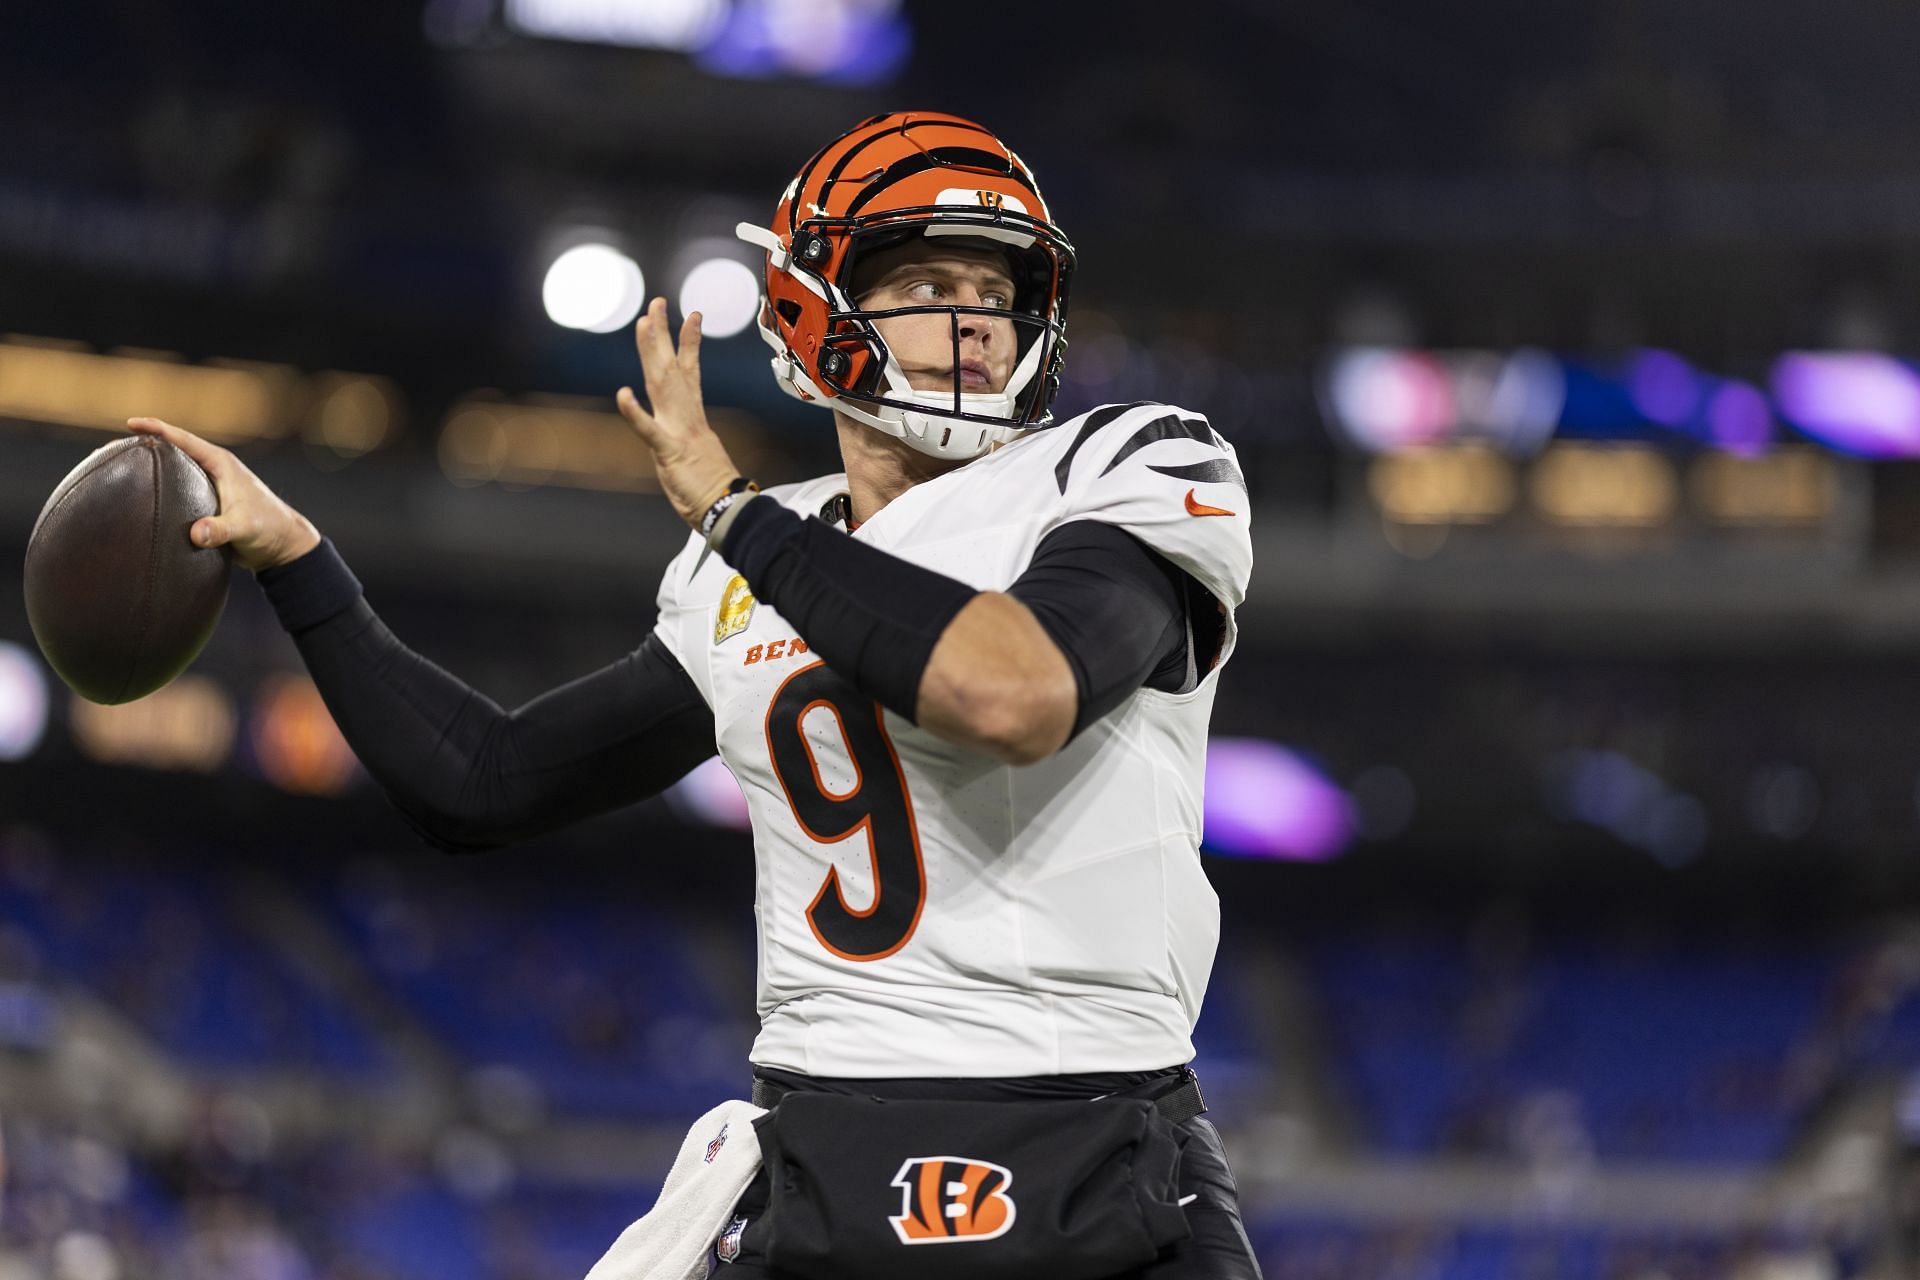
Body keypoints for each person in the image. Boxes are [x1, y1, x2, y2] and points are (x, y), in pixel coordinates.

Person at [131, 111, 1258, 1278]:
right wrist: (302, 560)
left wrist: (731, 505)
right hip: (823, 1160)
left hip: (1093, 1160)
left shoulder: (1125, 464)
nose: (976, 321)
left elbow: (1014, 691)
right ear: (818, 302)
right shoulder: (748, 561)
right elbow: (484, 778)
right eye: (927, 279)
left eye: (998, 285)